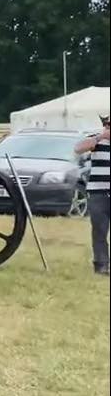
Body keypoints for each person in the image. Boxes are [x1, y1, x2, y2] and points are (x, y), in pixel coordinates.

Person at [74, 113, 110, 276]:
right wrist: (101, 137)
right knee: (99, 230)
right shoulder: (96, 140)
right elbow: (78, 148)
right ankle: (101, 264)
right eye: (108, 125)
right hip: (98, 191)